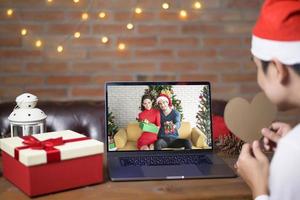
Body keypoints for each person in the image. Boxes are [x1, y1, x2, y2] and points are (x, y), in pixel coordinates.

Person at [235, 0, 300, 199]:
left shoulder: (293, 152)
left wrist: (258, 186)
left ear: (277, 69)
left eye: (257, 67)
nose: (259, 81)